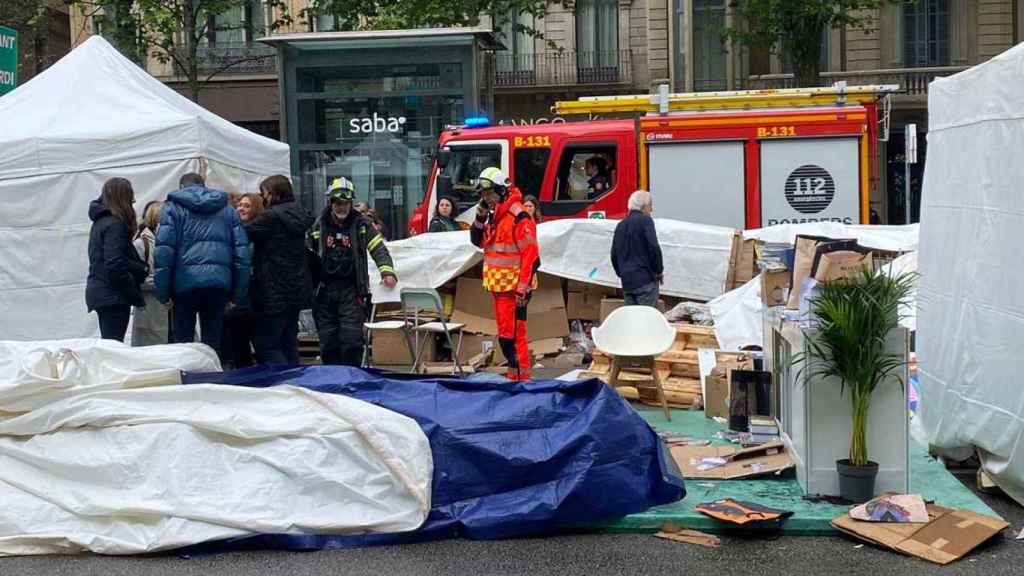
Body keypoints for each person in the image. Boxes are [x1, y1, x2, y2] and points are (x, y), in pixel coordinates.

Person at [155, 173, 251, 353]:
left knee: (183, 343)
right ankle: (213, 376)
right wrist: (237, 294)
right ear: (204, 185)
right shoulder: (228, 209)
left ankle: (187, 376)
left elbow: (164, 253)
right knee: (213, 342)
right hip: (218, 283)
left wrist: (163, 293)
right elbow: (242, 254)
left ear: (182, 186)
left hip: (183, 284)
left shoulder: (172, 208)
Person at [307, 177, 397, 366]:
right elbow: (308, 254)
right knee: (328, 341)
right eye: (338, 203)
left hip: (351, 290)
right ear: (331, 203)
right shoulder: (319, 225)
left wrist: (387, 272)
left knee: (352, 341)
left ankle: (353, 379)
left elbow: (378, 248)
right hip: (324, 291)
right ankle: (332, 382)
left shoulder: (361, 225)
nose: (342, 208)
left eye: (346, 203)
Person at [469, 167, 539, 381]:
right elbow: (479, 242)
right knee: (507, 338)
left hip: (515, 289)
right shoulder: (496, 216)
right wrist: (480, 219)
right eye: (483, 195)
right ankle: (514, 379)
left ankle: (522, 382)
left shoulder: (518, 217)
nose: (486, 198)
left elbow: (531, 255)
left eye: (488, 193)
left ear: (501, 191)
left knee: (515, 338)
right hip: (501, 288)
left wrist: (522, 287)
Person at [245, 177, 314, 365]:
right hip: (296, 287)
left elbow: (243, 233)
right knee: (289, 340)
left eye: (263, 193)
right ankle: (294, 381)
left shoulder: (271, 217)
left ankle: (283, 382)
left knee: (267, 343)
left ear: (274, 193)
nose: (262, 197)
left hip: (273, 287)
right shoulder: (299, 212)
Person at [86, 178, 148, 342]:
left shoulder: (101, 222)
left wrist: (137, 268)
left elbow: (111, 259)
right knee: (113, 347)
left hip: (101, 290)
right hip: (112, 293)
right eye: (130, 196)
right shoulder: (114, 225)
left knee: (110, 344)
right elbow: (115, 264)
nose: (133, 201)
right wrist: (133, 290)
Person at [220, 192, 265, 368]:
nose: (241, 208)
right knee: (238, 343)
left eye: (247, 206)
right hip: (238, 296)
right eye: (240, 205)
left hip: (251, 296)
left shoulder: (255, 233)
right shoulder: (234, 231)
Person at [610, 190, 664, 307]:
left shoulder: (621, 225)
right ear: (643, 206)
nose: (651, 210)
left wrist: (622, 273)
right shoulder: (646, 220)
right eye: (650, 206)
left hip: (627, 283)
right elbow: (654, 247)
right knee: (646, 319)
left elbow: (614, 254)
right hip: (645, 281)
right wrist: (658, 271)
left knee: (632, 320)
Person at [131, 200, 169, 346]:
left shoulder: (170, 242)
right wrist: (164, 281)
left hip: (168, 309)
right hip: (149, 308)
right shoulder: (141, 244)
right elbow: (135, 279)